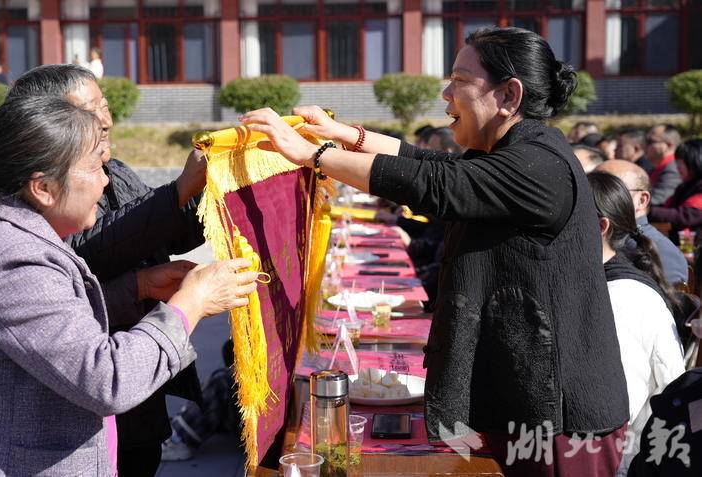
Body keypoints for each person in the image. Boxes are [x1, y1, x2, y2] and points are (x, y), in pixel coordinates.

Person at [243, 26, 628, 475]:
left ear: (509, 94)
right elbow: (432, 163)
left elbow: (438, 185)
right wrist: (344, 135)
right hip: (524, 395)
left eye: (460, 80)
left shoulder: (540, 166)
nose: (446, 93)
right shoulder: (514, 153)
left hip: (560, 414)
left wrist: (314, 154)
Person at [0, 96, 256, 476]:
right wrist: (189, 306)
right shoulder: (11, 259)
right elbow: (107, 380)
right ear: (43, 187)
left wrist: (138, 287)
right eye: (96, 165)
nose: (106, 179)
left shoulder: (4, 233)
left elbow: (46, 337)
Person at [7, 64, 208, 477]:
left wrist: (221, 186)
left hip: (138, 388)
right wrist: (176, 193)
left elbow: (165, 231)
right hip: (82, 398)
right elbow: (87, 250)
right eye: (89, 111)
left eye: (104, 106)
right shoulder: (30, 196)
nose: (105, 120)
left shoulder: (111, 171)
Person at [587, 171, 684, 477]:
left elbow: (617, 405)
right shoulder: (602, 286)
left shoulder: (621, 298)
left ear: (601, 227)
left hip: (620, 460)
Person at [595, 159, 688, 285]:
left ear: (642, 200)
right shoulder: (595, 238)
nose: (595, 196)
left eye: (610, 191)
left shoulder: (661, 250)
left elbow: (671, 302)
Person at [649, 140, 702, 246]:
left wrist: (648, 211)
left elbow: (685, 216)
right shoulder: (684, 187)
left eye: (680, 162)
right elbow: (667, 207)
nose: (677, 167)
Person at [646, 124, 682, 206]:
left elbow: (658, 200)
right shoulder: (658, 167)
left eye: (651, 142)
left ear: (669, 145)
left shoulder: (673, 169)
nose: (645, 145)